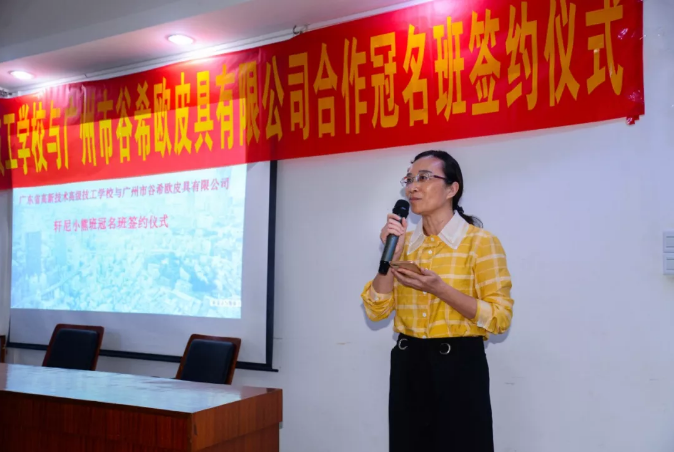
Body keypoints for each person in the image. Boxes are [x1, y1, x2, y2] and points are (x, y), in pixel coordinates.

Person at [361, 150, 514, 452]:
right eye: (409, 179)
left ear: (452, 189)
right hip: (408, 363)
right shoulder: (403, 244)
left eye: (424, 178)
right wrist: (390, 256)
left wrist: (441, 290)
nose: (412, 187)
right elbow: (376, 310)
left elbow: (500, 318)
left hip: (459, 367)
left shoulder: (480, 242)